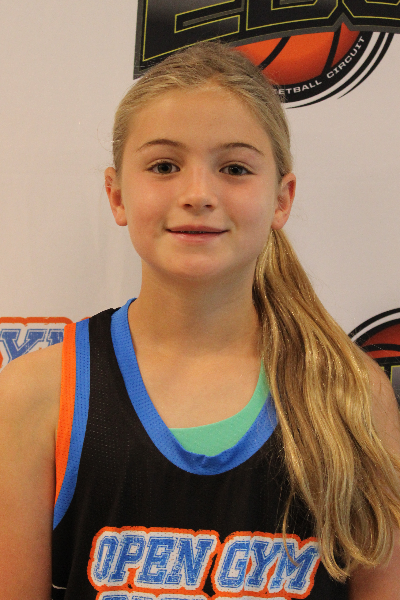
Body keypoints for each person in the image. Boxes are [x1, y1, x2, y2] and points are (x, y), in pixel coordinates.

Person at [0, 41, 399, 600]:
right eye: (165, 166)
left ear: (281, 199)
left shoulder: (351, 394)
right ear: (117, 195)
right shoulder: (36, 396)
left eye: (234, 168)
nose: (198, 194)